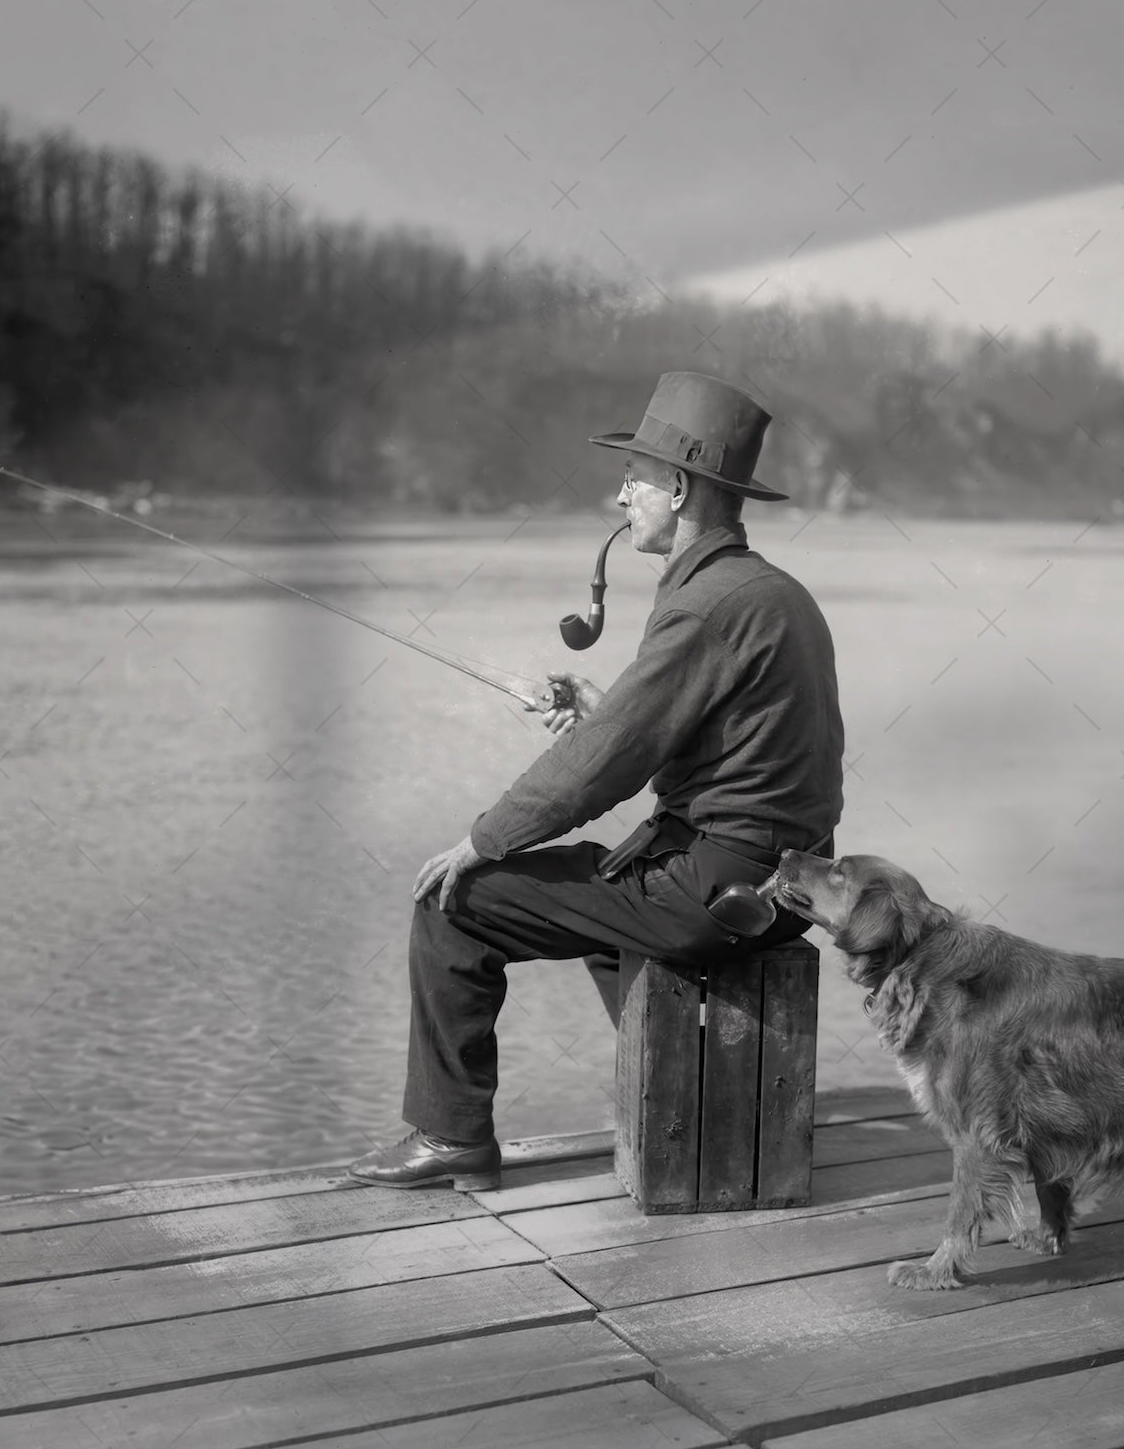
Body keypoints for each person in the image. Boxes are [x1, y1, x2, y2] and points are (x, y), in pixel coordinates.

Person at [348, 371, 846, 1190]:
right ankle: (687, 1109)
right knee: (602, 903)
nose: (622, 497)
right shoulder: (768, 593)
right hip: (783, 889)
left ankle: (451, 1139)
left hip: (716, 890)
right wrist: (600, 708)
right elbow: (699, 743)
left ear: (679, 487)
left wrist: (482, 841)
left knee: (453, 909)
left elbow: (603, 768)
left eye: (636, 479)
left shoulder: (707, 604)